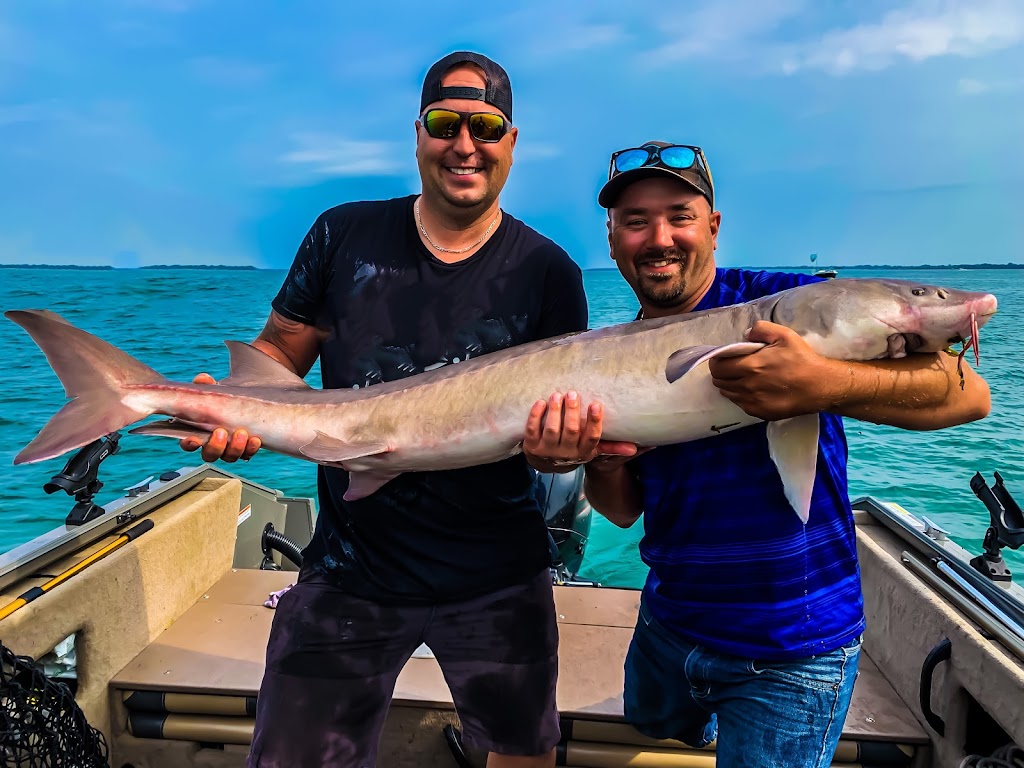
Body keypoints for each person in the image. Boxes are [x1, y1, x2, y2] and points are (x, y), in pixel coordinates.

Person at [521, 141, 991, 768]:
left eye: (679, 216)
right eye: (635, 221)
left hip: (792, 647)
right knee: (653, 722)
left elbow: (968, 395)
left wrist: (819, 385)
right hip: (670, 618)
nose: (659, 237)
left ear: (713, 228)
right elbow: (624, 510)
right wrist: (594, 460)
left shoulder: (789, 302)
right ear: (612, 240)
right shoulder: (610, 352)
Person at [183, 52, 588, 768]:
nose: (465, 145)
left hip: (498, 572)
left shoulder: (547, 271)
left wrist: (566, 453)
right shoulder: (344, 236)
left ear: (512, 142)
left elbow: (560, 424)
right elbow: (280, 349)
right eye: (445, 123)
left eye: (486, 127)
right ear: (419, 133)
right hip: (349, 565)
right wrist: (235, 406)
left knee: (523, 755)